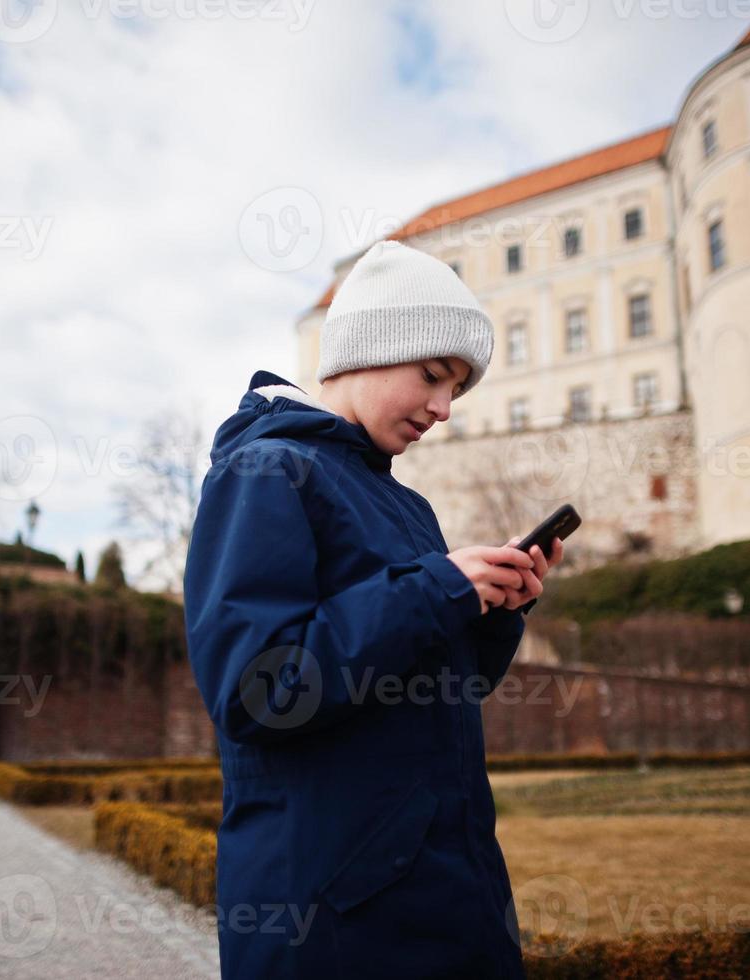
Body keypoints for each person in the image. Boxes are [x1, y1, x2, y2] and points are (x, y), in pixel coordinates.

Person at [183, 239, 563, 979]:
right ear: (367, 349)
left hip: (447, 895)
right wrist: (436, 589)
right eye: (432, 376)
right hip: (330, 917)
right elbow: (257, 693)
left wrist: (494, 608)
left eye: (456, 389)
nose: (443, 409)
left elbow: (442, 687)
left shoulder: (406, 504)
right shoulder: (267, 469)